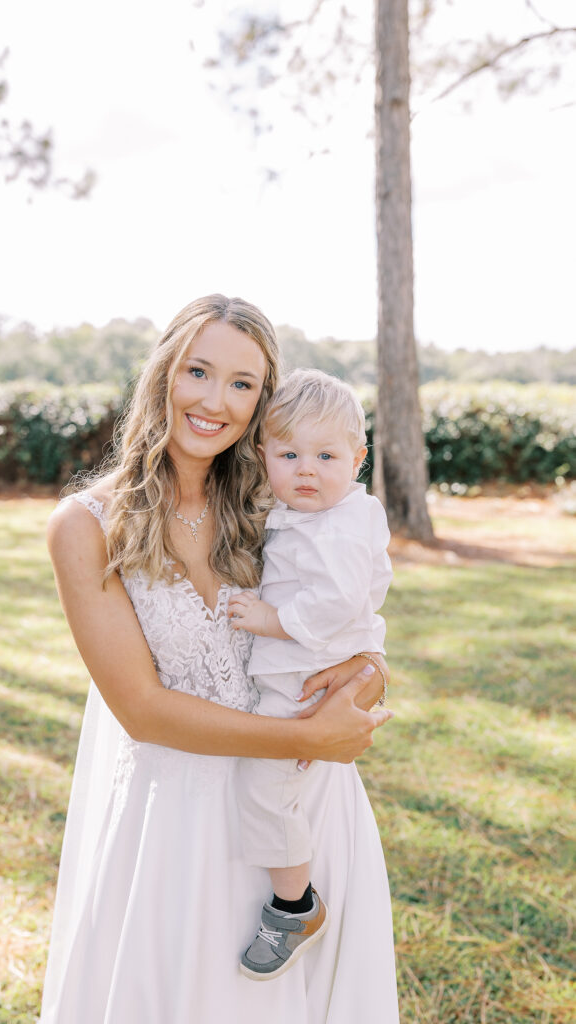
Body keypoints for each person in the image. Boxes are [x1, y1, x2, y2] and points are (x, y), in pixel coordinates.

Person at [39, 295, 399, 1023]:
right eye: (197, 371)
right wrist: (305, 736)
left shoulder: (281, 495)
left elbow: (354, 601)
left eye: (241, 384)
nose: (214, 401)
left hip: (303, 810)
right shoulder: (87, 526)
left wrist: (370, 668)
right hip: (179, 824)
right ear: (162, 374)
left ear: (263, 405)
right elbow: (140, 710)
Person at [227, 369, 392, 981]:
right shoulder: (306, 511)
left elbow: (339, 602)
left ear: (358, 457)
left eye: (326, 456)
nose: (306, 470)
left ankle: (293, 906)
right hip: (295, 675)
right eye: (289, 454)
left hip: (304, 683)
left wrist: (271, 620)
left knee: (263, 789)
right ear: (263, 455)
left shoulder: (345, 521)